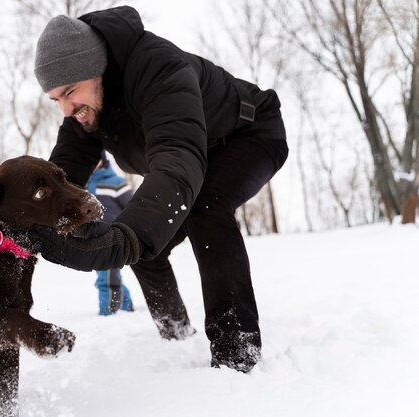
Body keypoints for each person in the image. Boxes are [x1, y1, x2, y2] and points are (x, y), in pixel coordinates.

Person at [30, 5, 288, 372]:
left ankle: (237, 353)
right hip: (189, 160)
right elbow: (62, 175)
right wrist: (18, 214)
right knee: (146, 249)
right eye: (56, 99)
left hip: (248, 136)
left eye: (70, 92)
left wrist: (129, 234)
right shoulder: (85, 110)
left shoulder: (158, 68)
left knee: (202, 209)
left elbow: (177, 156)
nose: (67, 109)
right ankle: (176, 336)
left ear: (96, 68)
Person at [86, 152, 135, 316]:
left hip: (112, 239)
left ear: (103, 160)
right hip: (91, 240)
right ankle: (127, 308)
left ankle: (108, 313)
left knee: (106, 279)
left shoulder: (116, 183)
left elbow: (132, 207)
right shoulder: (81, 186)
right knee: (109, 275)